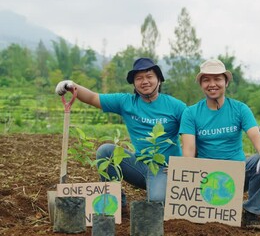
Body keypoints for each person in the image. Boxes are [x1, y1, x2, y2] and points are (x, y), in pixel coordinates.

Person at [55, 57, 186, 208]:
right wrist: (71, 85)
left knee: (157, 204)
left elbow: (191, 137)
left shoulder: (176, 106)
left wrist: (183, 166)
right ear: (134, 84)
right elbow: (92, 97)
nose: (145, 81)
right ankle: (115, 201)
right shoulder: (126, 102)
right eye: (139, 78)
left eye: (149, 77)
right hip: (138, 166)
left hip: (164, 170)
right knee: (106, 151)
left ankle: (159, 191)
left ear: (159, 80)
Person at [179, 59, 260, 230]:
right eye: (206, 80)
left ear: (226, 82)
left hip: (237, 172)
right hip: (207, 178)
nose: (212, 84)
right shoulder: (191, 113)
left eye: (217, 79)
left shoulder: (240, 109)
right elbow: (189, 150)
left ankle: (252, 212)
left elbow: (254, 133)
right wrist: (184, 171)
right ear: (201, 84)